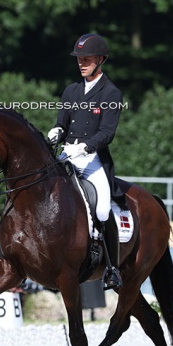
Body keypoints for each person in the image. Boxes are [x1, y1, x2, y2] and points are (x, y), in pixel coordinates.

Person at [47, 33, 123, 290]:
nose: (82, 63)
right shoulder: (71, 90)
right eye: (79, 59)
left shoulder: (111, 92)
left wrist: (86, 146)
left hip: (92, 160)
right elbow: (62, 122)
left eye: (87, 58)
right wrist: (57, 131)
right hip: (67, 154)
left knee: (102, 209)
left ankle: (112, 268)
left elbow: (107, 132)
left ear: (101, 59)